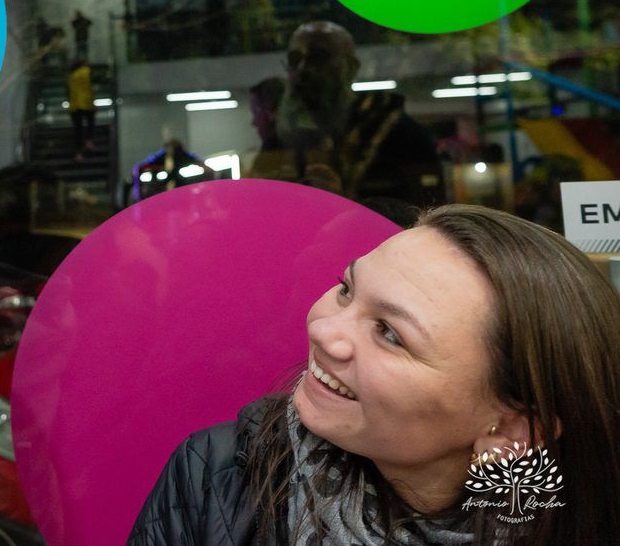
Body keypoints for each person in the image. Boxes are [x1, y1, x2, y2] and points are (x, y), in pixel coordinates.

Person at [128, 204, 620, 545]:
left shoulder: (578, 521)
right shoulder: (219, 477)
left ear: (512, 431)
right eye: (345, 288)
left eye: (389, 333)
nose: (324, 329)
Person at [250, 21, 445, 209]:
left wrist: (345, 204)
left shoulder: (400, 136)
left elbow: (425, 217)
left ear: (351, 68)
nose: (303, 69)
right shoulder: (278, 144)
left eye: (318, 57)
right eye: (294, 59)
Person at [67, 58, 95, 161]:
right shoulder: (87, 72)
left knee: (78, 130)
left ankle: (78, 153)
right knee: (90, 122)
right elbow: (91, 87)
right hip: (86, 103)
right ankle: (89, 140)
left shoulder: (71, 76)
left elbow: (68, 92)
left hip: (74, 105)